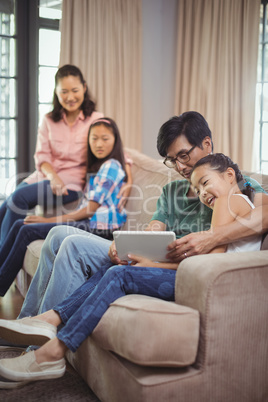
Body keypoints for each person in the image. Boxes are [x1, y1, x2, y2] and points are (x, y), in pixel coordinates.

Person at [0, 153, 262, 386]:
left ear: (229, 176)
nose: (203, 194)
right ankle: (50, 322)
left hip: (200, 283)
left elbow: (210, 261)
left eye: (205, 183)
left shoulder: (230, 200)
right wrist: (153, 257)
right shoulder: (232, 202)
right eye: (197, 188)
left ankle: (52, 348)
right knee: (114, 268)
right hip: (194, 276)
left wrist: (156, 264)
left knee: (119, 273)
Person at [18, 111, 267, 318]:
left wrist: (212, 237)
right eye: (171, 160)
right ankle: (26, 323)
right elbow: (155, 227)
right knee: (58, 233)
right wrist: (134, 241)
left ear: (207, 144)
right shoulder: (172, 190)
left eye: (183, 155)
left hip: (173, 268)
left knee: (72, 245)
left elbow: (265, 213)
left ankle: (38, 339)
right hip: (152, 258)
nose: (180, 167)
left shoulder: (232, 185)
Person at [0, 117, 131, 297]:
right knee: (19, 225)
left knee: (26, 230)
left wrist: (47, 220)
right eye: (94, 138)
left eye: (105, 139)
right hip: (89, 223)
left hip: (100, 229)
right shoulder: (99, 167)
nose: (99, 144)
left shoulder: (111, 166)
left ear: (115, 140)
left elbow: (91, 209)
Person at [0, 64, 103, 247]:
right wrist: (52, 176)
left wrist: (127, 174)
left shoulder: (95, 119)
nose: (70, 97)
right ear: (56, 92)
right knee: (6, 204)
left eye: (75, 90)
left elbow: (114, 148)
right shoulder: (49, 119)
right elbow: (42, 157)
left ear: (84, 88)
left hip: (70, 184)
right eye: (63, 91)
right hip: (45, 177)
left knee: (17, 199)